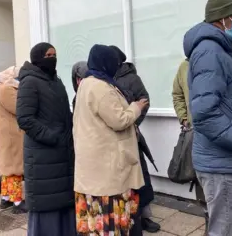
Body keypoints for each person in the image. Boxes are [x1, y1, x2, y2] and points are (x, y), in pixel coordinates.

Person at [184, 0, 232, 236]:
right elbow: (204, 113)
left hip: (222, 159)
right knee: (224, 230)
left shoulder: (219, 48)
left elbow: (220, 94)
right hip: (220, 162)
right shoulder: (210, 50)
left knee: (225, 227)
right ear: (222, 18)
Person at [73, 44, 147, 235]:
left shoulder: (86, 84)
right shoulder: (101, 88)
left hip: (93, 165)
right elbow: (119, 120)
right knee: (110, 220)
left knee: (96, 218)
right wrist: (136, 107)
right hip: (106, 167)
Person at [172, 58, 232, 235]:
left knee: (229, 187)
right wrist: (184, 118)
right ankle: (210, 225)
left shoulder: (225, 62)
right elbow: (177, 94)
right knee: (203, 187)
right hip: (198, 136)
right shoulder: (184, 66)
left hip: (224, 137)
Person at [16, 42, 75, 236]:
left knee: (62, 199)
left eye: (55, 55)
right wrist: (52, 137)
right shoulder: (30, 82)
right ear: (38, 57)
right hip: (43, 153)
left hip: (62, 151)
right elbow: (25, 119)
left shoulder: (55, 80)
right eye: (48, 55)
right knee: (47, 201)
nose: (53, 58)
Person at [111, 45, 160, 233]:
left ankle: (145, 215)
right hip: (113, 138)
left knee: (140, 175)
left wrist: (134, 122)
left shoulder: (131, 78)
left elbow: (144, 100)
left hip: (131, 134)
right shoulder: (103, 80)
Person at [0, 66, 26, 214]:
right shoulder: (6, 89)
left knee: (7, 168)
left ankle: (5, 199)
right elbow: (19, 108)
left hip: (8, 134)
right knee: (14, 168)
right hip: (11, 134)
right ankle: (17, 202)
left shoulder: (2, 87)